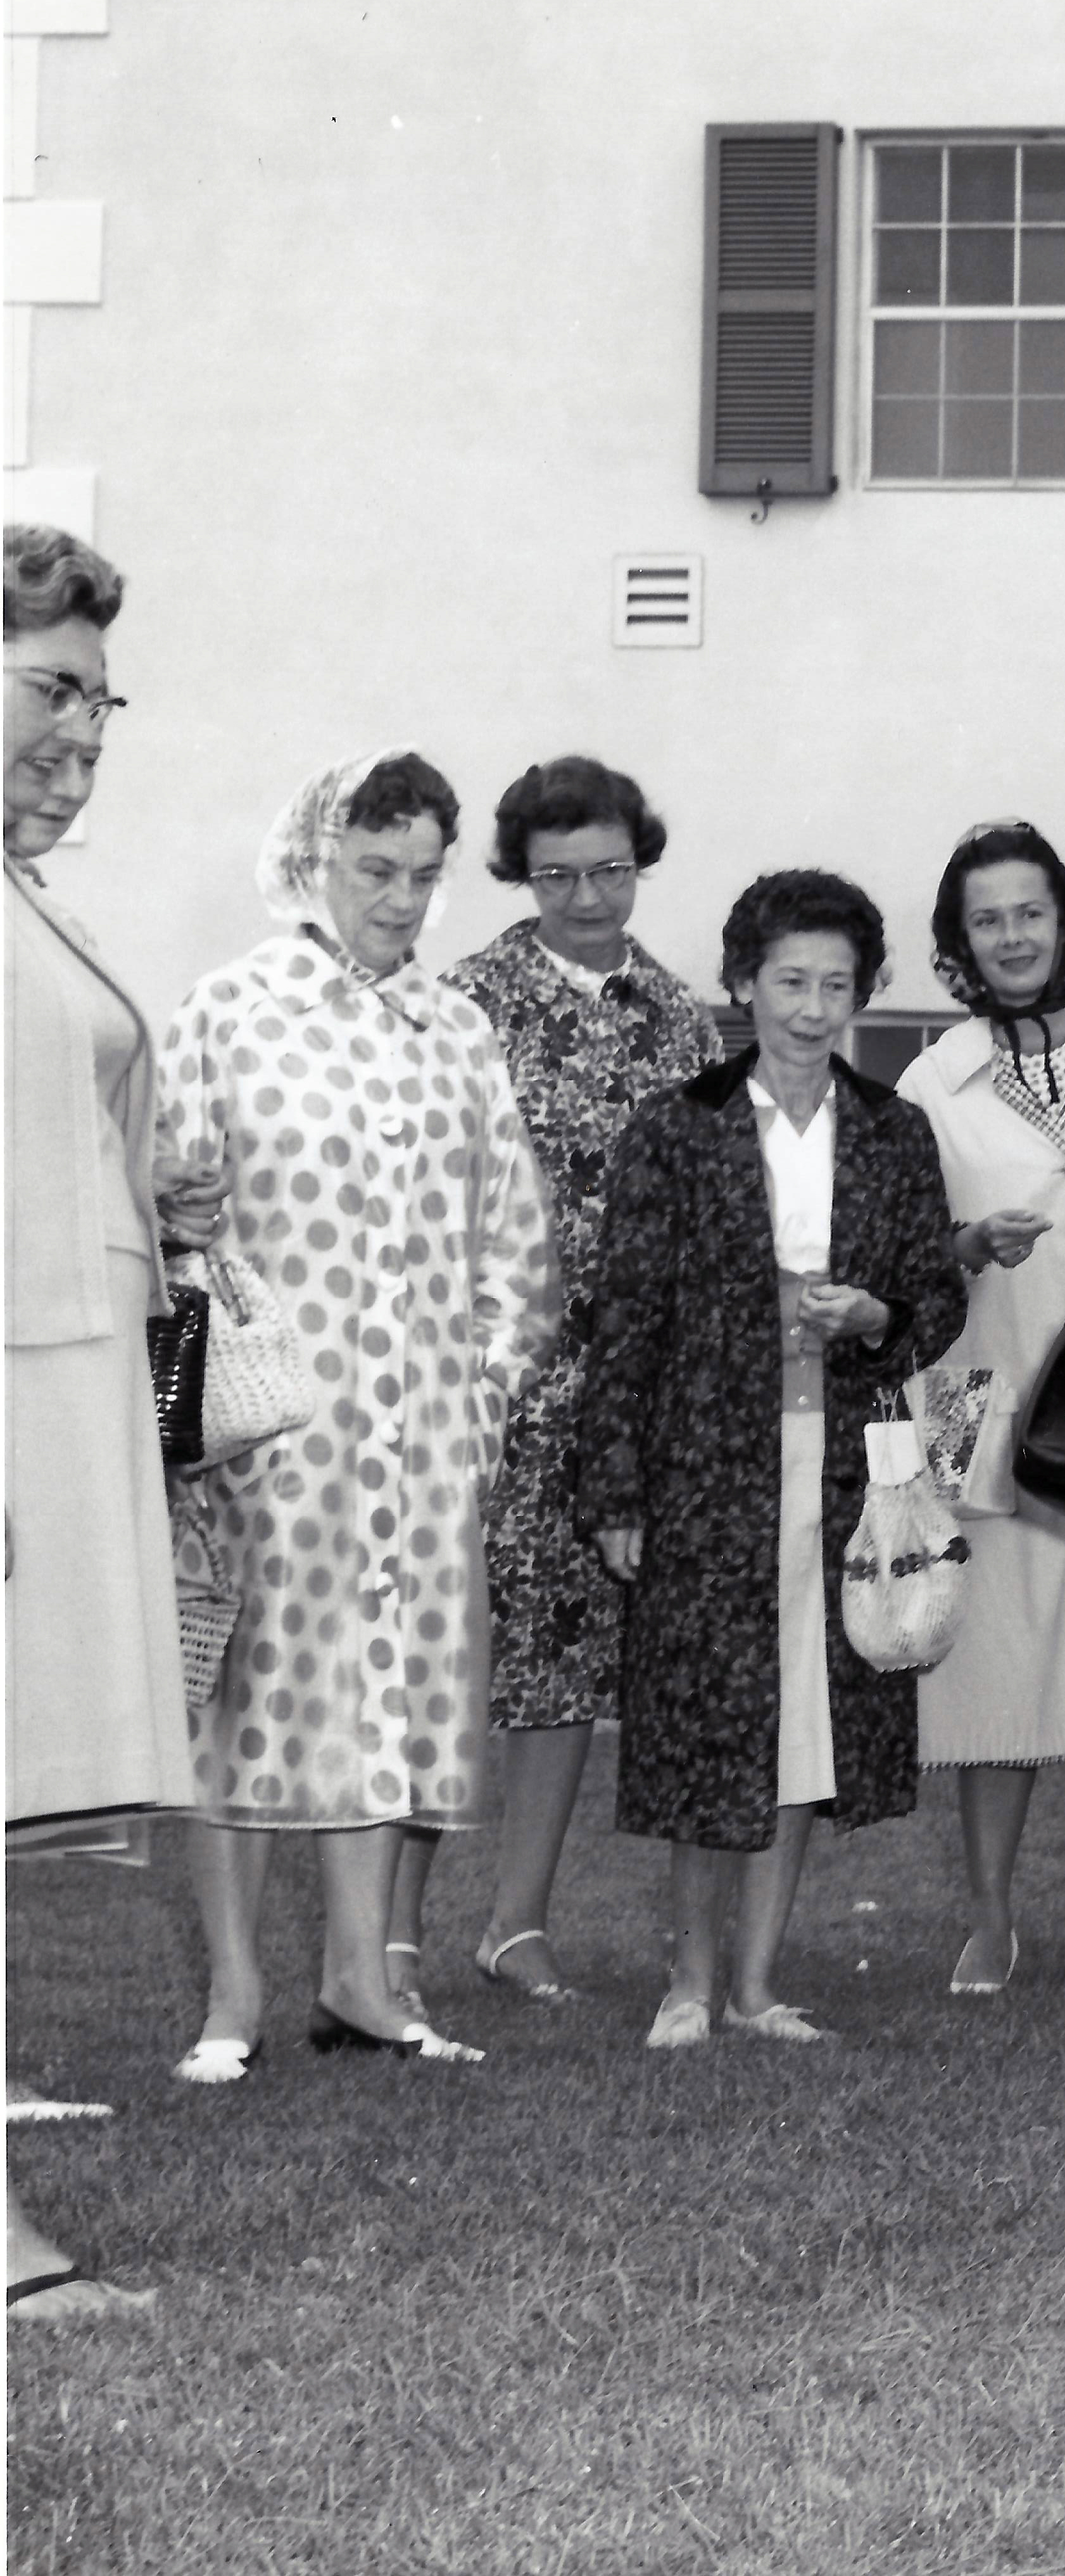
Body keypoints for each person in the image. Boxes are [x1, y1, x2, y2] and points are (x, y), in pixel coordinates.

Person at [158, 749, 560, 2071]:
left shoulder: (461, 1029)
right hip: (273, 1436)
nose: (400, 900)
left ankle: (365, 1985)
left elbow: (517, 1247)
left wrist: (482, 1407)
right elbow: (171, 1214)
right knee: (249, 1705)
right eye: (374, 870)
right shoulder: (229, 1011)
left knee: (388, 1703)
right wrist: (214, 1378)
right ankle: (232, 1997)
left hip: (425, 1444)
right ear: (315, 860)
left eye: (424, 875)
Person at [580, 871, 967, 2049]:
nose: (811, 1006)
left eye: (836, 984)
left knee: (813, 1715)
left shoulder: (895, 1131)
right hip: (706, 1466)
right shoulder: (675, 1127)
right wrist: (613, 1484)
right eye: (789, 980)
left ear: (868, 990)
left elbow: (936, 1298)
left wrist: (877, 1320)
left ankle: (756, 1984)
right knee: (712, 1721)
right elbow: (626, 1314)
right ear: (742, 982)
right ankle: (687, 1982)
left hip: (851, 1469)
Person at [406, 756, 717, 2009]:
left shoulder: (684, 1019)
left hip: (618, 1408)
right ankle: (386, 1939)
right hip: (480, 1392)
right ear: (519, 876)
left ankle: (517, 1926)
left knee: (565, 1671)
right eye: (558, 874)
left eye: (610, 869)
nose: (588, 897)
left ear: (640, 862)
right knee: (442, 1660)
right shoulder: (458, 1006)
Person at [3, 524, 194, 2320]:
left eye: (101, 696)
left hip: (58, 1381)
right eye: (52, 686)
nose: (87, 730)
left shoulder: (23, 894)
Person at [898, 821, 1065, 2000]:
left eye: (1030, 912)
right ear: (960, 946)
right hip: (971, 1395)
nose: (1012, 936)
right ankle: (992, 1918)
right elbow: (899, 1247)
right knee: (991, 1669)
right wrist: (965, 1245)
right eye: (986, 920)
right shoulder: (928, 1081)